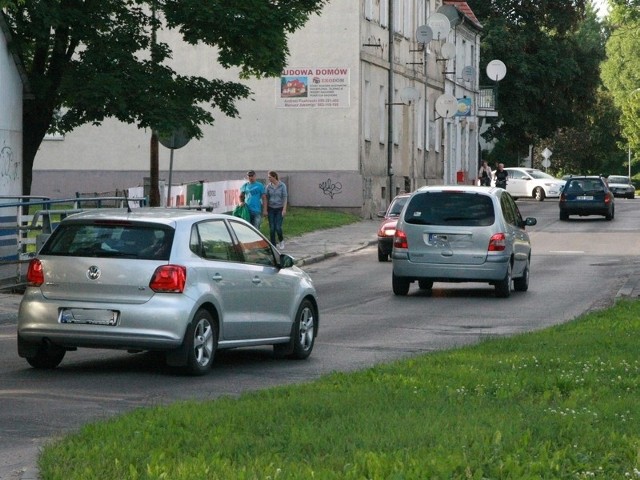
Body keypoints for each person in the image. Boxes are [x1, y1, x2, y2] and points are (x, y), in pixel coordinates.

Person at [265, 170, 288, 249]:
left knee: (278, 227)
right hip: (271, 208)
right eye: (268, 177)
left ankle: (281, 241)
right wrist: (265, 209)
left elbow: (285, 197)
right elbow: (266, 198)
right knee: (272, 228)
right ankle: (273, 245)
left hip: (279, 208)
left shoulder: (282, 185)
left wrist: (284, 209)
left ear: (274, 177)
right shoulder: (268, 186)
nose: (269, 179)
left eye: (270, 177)